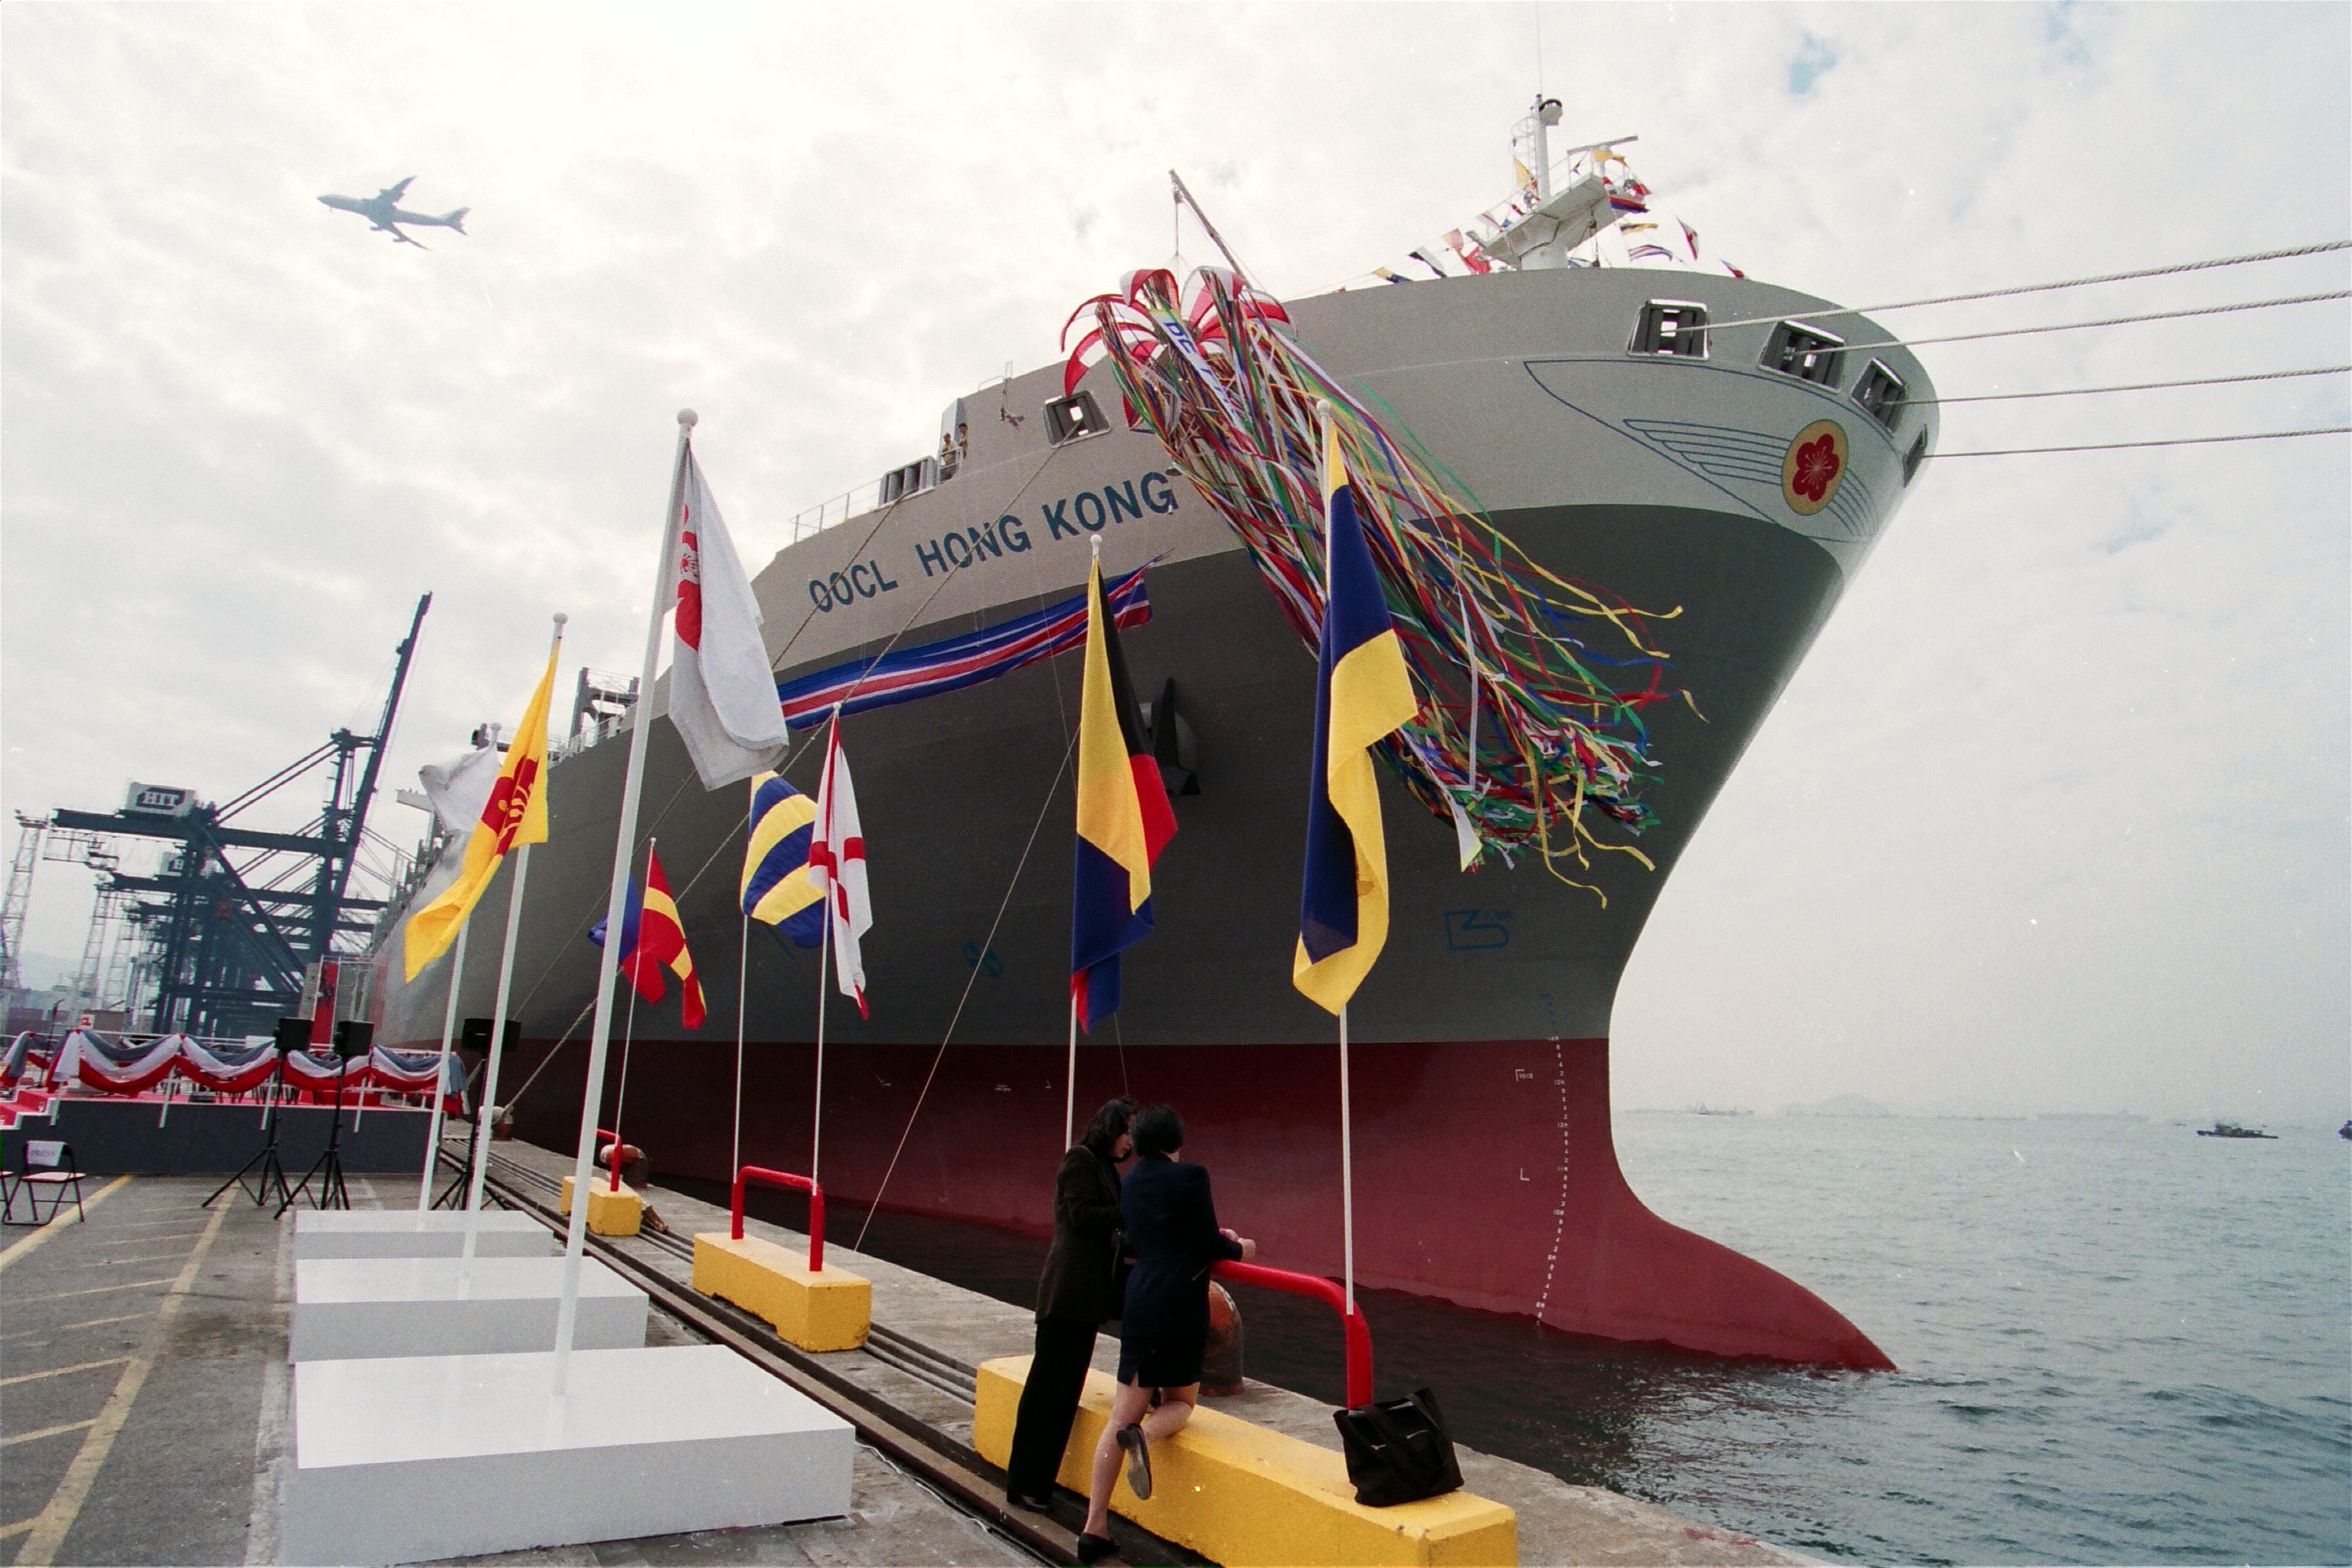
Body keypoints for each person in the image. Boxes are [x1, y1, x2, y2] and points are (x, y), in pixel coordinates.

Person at [1074, 1104, 1253, 1563]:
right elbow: (1208, 1245)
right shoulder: (1192, 1176)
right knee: (1181, 1404)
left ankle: (1094, 1526)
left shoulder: (1131, 1180)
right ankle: (1146, 1437)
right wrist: (1240, 1247)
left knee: (1120, 1414)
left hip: (1141, 1300)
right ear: (1178, 1141)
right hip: (1179, 1305)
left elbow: (1158, 1233)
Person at [1004, 1096, 1135, 1511]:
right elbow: (1081, 1217)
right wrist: (1132, 1212)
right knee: (1047, 1392)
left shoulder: (1109, 1171)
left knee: (1065, 1395)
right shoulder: (1079, 1160)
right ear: (1110, 1127)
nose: (1130, 1140)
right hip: (1067, 1294)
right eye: (1127, 1129)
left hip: (1086, 1299)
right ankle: (1024, 1483)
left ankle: (1039, 1483)